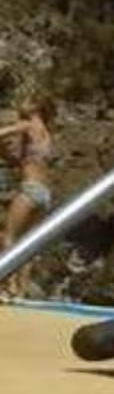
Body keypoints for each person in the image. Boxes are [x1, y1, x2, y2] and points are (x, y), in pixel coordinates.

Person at [0, 94, 58, 298]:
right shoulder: (46, 135)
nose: (21, 104)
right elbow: (25, 160)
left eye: (26, 101)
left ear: (35, 108)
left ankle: (9, 285)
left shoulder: (28, 126)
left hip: (29, 189)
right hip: (44, 193)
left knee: (8, 237)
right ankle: (22, 290)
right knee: (28, 243)